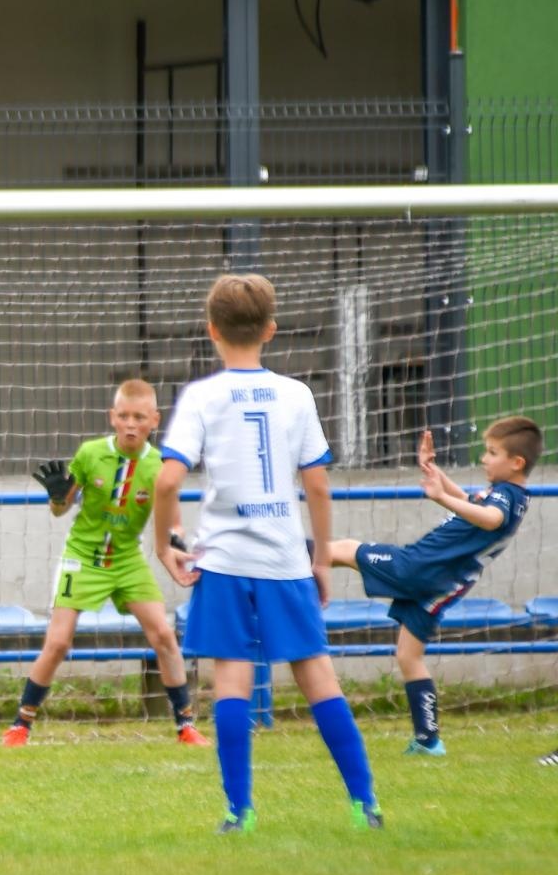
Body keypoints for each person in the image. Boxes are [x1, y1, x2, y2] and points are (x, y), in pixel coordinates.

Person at [154, 273, 382, 833]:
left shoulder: (201, 396)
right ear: (271, 330)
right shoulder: (296, 394)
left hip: (225, 562)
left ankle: (240, 812)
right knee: (319, 678)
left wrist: (166, 542)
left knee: (229, 684)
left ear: (211, 331)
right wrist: (322, 558)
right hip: (285, 559)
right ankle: (364, 805)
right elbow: (319, 485)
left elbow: (165, 483)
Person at [4, 379, 209, 748]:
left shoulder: (161, 466)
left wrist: (178, 541)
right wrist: (57, 497)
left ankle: (186, 725)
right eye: (125, 416)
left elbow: (172, 519)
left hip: (127, 560)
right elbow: (61, 508)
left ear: (154, 421)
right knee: (58, 641)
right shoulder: (89, 454)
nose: (131, 424)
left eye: (139, 417)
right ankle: (21, 725)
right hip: (82, 558)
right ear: (113, 418)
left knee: (163, 635)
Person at [329, 418, 540, 756]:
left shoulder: (507, 496)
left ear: (516, 463)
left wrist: (440, 496)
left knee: (338, 550)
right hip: (441, 585)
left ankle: (281, 574)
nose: (484, 459)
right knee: (409, 656)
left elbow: (490, 519)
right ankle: (428, 741)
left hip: (419, 568)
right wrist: (434, 471)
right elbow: (473, 504)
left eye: (492, 453)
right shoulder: (508, 495)